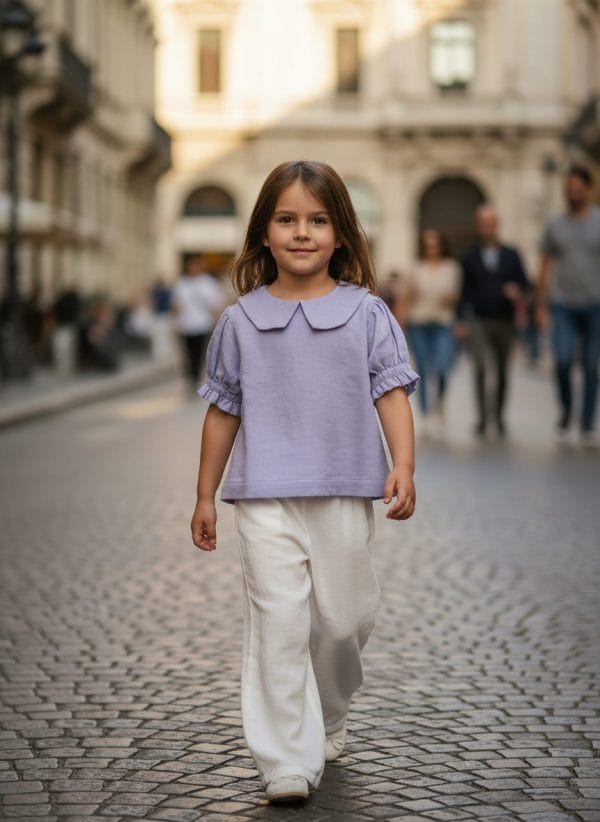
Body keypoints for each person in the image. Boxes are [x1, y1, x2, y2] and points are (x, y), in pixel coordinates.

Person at [190, 160, 419, 804]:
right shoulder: (239, 321)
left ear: (341, 234)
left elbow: (393, 393)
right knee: (280, 622)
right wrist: (205, 494)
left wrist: (401, 464)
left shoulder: (367, 313)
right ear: (264, 232)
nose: (302, 232)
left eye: (318, 220)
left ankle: (332, 708)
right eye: (286, 219)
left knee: (343, 619)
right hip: (263, 496)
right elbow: (221, 411)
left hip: (344, 489)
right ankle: (286, 758)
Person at [536, 166, 600, 448]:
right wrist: (540, 304)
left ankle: (586, 424)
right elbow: (545, 263)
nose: (572, 193)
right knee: (562, 361)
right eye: (568, 188)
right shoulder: (555, 225)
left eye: (577, 188)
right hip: (562, 302)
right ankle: (565, 414)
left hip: (596, 303)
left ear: (588, 189)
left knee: (591, 364)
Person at [457, 204, 529, 438]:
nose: (488, 228)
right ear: (478, 227)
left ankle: (498, 417)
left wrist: (517, 291)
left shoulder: (512, 254)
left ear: (497, 226)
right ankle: (481, 418)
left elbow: (525, 284)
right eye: (483, 224)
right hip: (478, 318)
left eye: (491, 223)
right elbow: (464, 291)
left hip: (504, 319)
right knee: (479, 367)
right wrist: (460, 320)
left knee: (501, 370)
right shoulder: (469, 256)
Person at [402, 228, 461, 436]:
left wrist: (451, 299)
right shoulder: (415, 268)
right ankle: (427, 414)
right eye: (427, 245)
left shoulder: (451, 268)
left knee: (444, 367)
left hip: (443, 323)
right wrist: (400, 322)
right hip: (419, 323)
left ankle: (440, 405)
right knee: (423, 370)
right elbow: (406, 297)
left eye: (435, 245)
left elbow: (457, 296)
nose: (431, 249)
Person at [171, 255, 224, 392]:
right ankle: (190, 377)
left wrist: (216, 324)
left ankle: (195, 377)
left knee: (199, 353)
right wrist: (175, 321)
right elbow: (176, 305)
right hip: (186, 325)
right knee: (188, 353)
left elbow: (215, 306)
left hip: (202, 324)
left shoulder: (209, 283)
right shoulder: (182, 284)